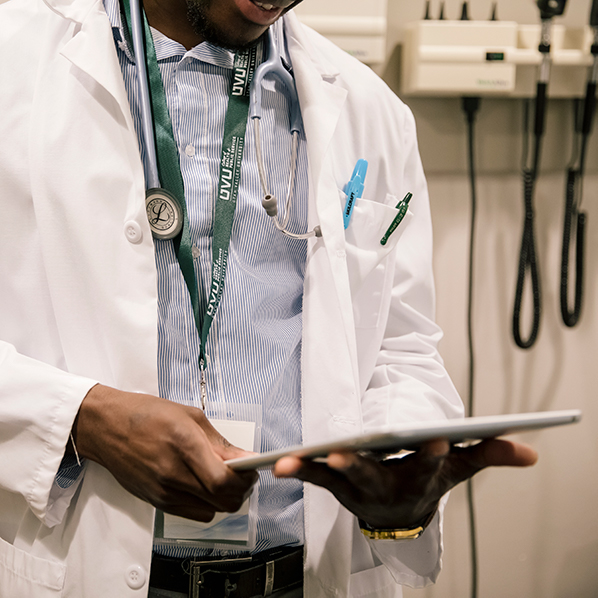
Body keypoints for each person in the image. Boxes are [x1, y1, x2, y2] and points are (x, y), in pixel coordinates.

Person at [0, 0, 537, 596]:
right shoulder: (15, 57)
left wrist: (398, 465)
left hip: (296, 577)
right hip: (83, 567)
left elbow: (399, 347)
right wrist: (84, 419)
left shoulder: (369, 109)